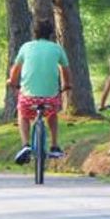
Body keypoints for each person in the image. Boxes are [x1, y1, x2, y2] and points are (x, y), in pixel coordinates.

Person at [7, 19, 71, 164]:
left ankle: (25, 145)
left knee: (22, 113)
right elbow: (65, 70)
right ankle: (54, 145)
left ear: (34, 32)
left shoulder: (26, 47)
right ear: (51, 34)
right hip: (50, 99)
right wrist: (66, 84)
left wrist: (12, 82)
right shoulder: (57, 49)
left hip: (28, 98)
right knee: (52, 114)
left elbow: (15, 71)